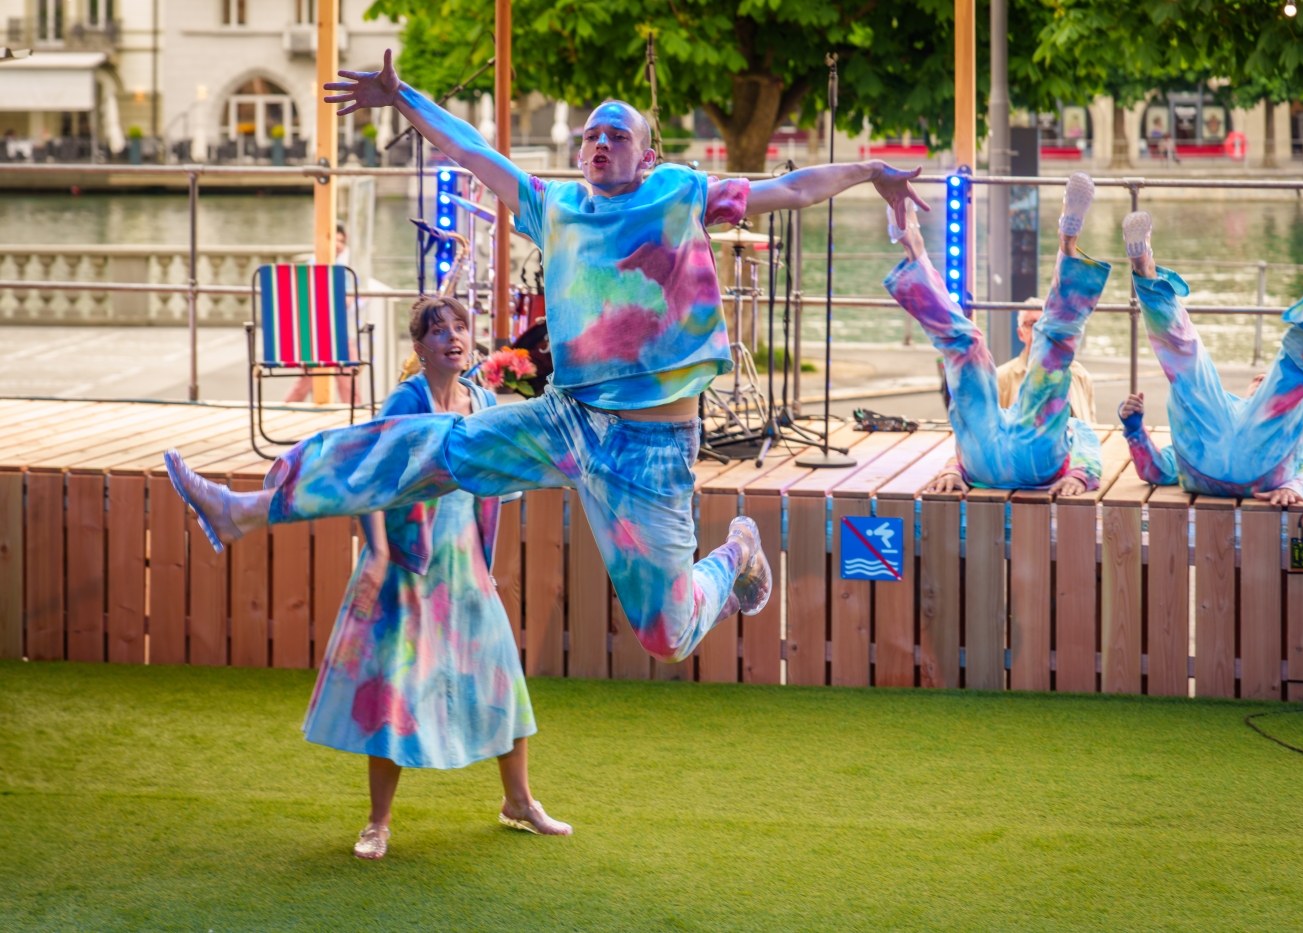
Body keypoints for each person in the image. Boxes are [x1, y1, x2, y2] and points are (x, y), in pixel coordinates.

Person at [163, 48, 930, 665]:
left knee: (663, 636)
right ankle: (247, 510)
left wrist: (870, 172)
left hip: (653, 447)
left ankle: (735, 554)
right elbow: (472, 151)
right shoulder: (554, 207)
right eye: (589, 135)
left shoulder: (679, 193)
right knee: (421, 446)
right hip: (567, 419)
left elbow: (789, 190)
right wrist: (405, 100)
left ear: (648, 150)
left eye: (615, 134)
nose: (598, 144)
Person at [308, 296, 569, 860]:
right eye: (438, 330)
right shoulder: (408, 399)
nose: (453, 336)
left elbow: (497, 480)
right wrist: (377, 553)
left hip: (463, 559)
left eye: (459, 327)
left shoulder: (480, 398)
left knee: (500, 674)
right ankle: (378, 823)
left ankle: (519, 802)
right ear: (419, 347)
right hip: (409, 561)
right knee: (394, 689)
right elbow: (367, 478)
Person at [885, 171, 1108, 496]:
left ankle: (915, 250)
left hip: (986, 461)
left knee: (968, 346)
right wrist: (1081, 475)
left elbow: (966, 436)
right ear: (1019, 331)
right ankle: (1067, 246)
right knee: (1046, 352)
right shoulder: (1060, 420)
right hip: (1033, 461)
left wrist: (952, 469)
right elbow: (1088, 439)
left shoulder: (1002, 411)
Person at [1114, 211, 1303, 504]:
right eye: (1262, 380)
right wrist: (1134, 429)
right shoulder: (1221, 407)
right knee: (1192, 368)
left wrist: (1295, 487)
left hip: (1229, 469)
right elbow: (1160, 470)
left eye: (1265, 382)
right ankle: (1145, 268)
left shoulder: (1302, 429)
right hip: (1223, 463)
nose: (1261, 378)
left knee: (1196, 367)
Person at [284, 222, 363, 405]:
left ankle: (281, 410)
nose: (337, 245)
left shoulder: (332, 267)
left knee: (308, 383)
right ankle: (360, 418)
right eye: (334, 239)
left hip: (320, 335)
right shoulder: (327, 267)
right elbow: (342, 301)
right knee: (346, 383)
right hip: (325, 335)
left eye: (341, 241)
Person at [996, 301, 1097, 422]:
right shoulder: (1001, 378)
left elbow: (1092, 427)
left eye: (1046, 323)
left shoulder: (1080, 375)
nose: (1040, 330)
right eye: (1032, 324)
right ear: (1020, 333)